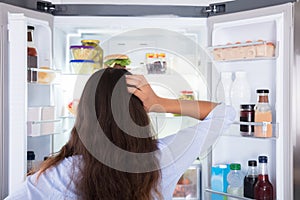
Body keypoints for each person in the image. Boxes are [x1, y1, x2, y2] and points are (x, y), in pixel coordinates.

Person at [5, 68, 235, 200]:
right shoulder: (164, 157)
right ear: (138, 115)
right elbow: (225, 114)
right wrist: (159, 103)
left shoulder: (59, 174)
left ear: (84, 116)